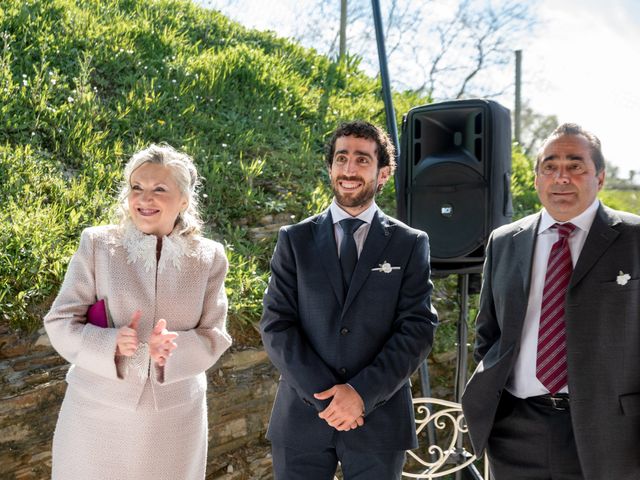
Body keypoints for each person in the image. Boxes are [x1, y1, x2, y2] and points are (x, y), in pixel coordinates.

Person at [260, 120, 438, 479]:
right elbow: (277, 325)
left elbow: (417, 329)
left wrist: (361, 393)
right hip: (302, 419)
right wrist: (327, 397)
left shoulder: (410, 243)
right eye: (341, 159)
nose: (349, 169)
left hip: (379, 420)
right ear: (330, 169)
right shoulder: (295, 239)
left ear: (383, 173)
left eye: (362, 160)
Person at [461, 123, 640, 479]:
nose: (561, 177)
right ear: (537, 177)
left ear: (599, 178)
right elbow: (489, 333)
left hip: (610, 432)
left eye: (575, 166)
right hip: (513, 429)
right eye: (550, 166)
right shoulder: (505, 241)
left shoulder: (634, 239)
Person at [44, 144, 232, 480]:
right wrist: (110, 343)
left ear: (185, 200)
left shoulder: (210, 257)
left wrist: (172, 351)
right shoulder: (98, 244)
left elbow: (214, 335)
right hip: (95, 412)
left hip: (174, 420)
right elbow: (60, 321)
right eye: (137, 188)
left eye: (160, 189)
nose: (145, 199)